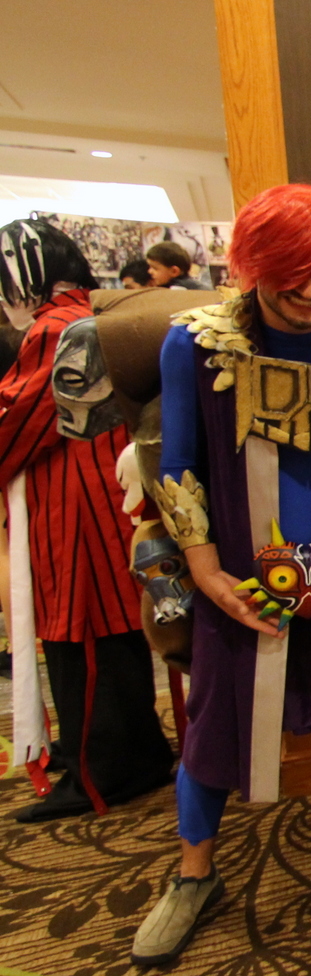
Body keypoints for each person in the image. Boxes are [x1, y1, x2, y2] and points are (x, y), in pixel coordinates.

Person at [130, 184, 311, 965]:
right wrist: (205, 573)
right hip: (241, 581)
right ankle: (194, 874)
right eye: (290, 271)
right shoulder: (195, 347)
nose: (308, 291)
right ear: (254, 264)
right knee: (213, 726)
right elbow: (177, 465)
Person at [0, 219, 174, 822]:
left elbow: (17, 421)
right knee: (110, 635)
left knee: (87, 636)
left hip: (77, 506)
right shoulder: (94, 315)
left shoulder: (56, 329)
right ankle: (123, 756)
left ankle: (105, 771)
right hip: (95, 495)